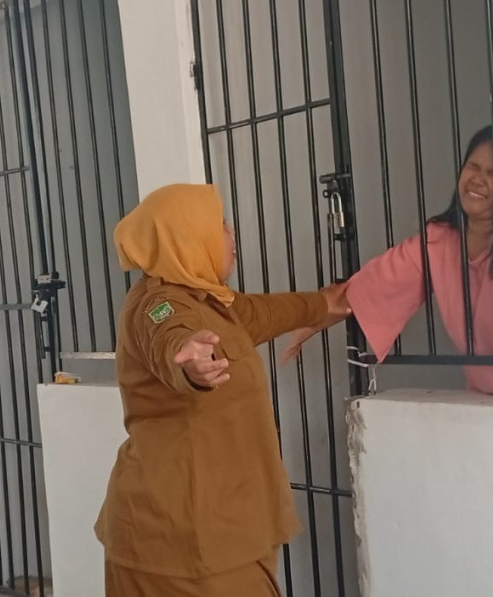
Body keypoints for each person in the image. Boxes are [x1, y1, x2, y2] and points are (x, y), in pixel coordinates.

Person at [94, 183, 349, 596]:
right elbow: (169, 336)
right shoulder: (158, 305)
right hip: (180, 540)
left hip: (219, 527)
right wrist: (192, 361)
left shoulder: (211, 303)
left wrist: (330, 302)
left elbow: (271, 311)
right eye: (221, 225)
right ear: (187, 235)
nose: (231, 235)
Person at [288, 124, 493, 394]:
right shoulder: (440, 238)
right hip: (484, 399)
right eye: (473, 167)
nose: (477, 179)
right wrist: (308, 319)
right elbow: (370, 285)